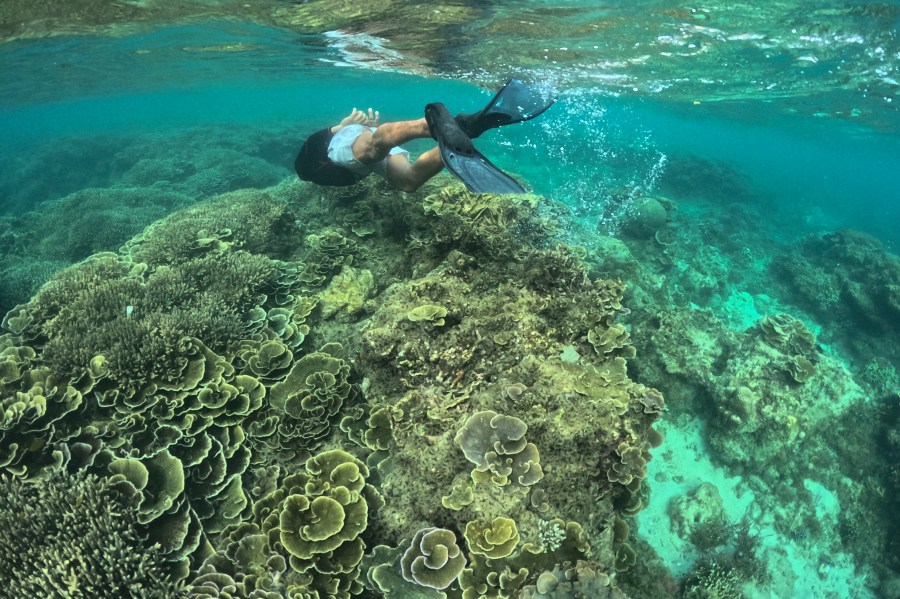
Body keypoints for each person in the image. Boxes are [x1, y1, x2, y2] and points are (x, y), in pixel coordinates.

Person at [294, 80, 556, 195]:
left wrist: (345, 125)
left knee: (369, 151)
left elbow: (328, 135)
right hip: (360, 141)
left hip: (347, 145)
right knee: (407, 182)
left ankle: (428, 124)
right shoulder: (314, 155)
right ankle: (464, 128)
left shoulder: (314, 158)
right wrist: (360, 129)